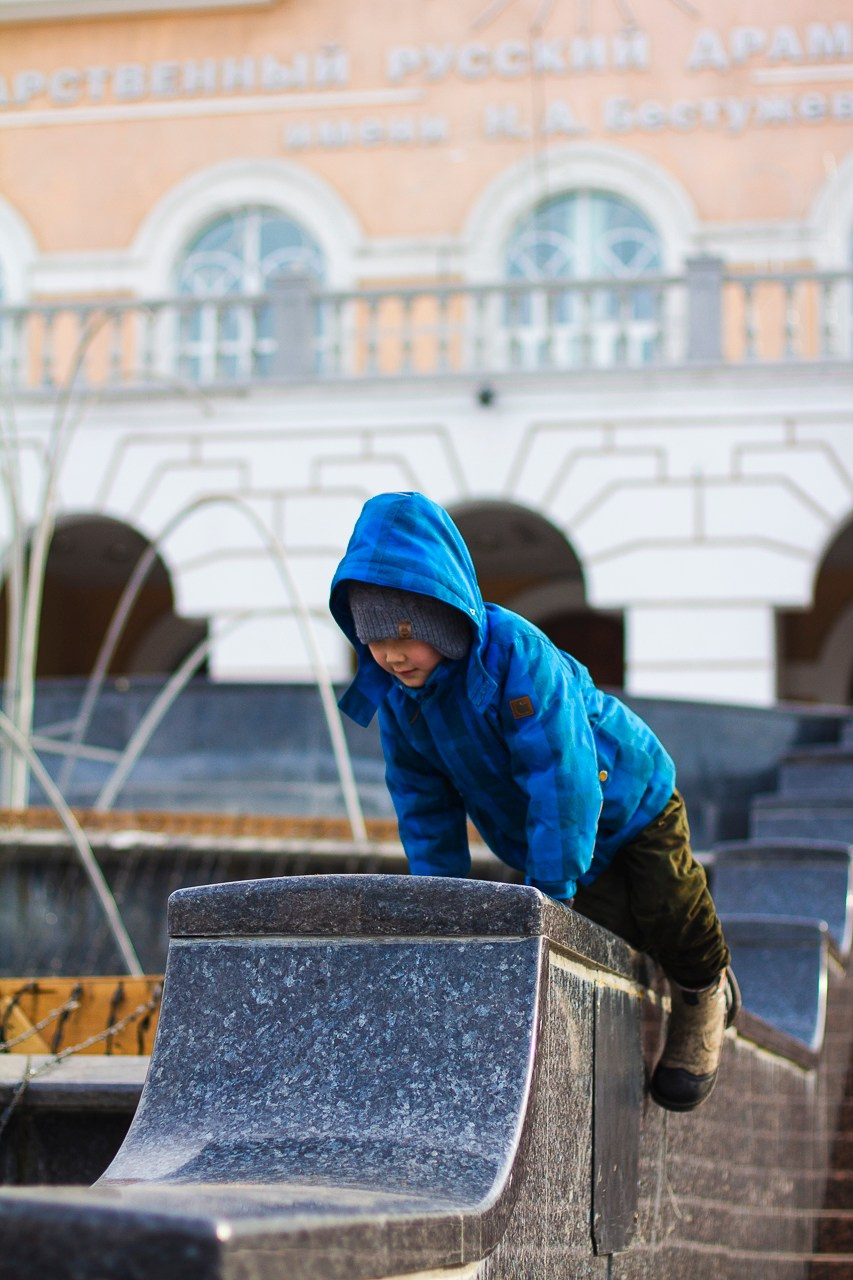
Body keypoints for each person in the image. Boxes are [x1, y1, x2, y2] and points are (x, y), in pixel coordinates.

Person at [329, 490, 739, 1111]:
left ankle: (706, 989)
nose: (388, 655)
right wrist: (443, 902)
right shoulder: (400, 702)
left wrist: (550, 887)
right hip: (543, 835)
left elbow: (561, 775)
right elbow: (422, 803)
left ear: (445, 614)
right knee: (615, 933)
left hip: (629, 801)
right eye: (373, 639)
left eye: (404, 635)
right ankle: (668, 970)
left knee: (668, 906)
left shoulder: (519, 658)